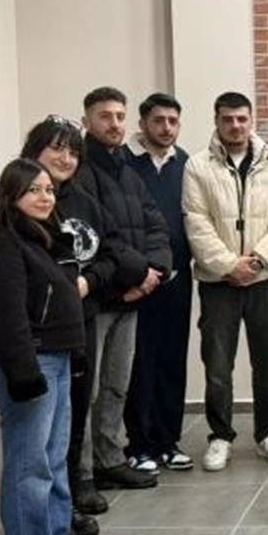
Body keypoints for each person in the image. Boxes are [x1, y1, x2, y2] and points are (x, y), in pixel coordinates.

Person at [0, 116, 146, 535]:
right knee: (33, 449)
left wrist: (88, 283)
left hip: (74, 332)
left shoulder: (79, 201)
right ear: (34, 151)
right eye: (57, 150)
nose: (66, 159)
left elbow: (111, 252)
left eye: (73, 152)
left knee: (67, 424)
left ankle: (59, 514)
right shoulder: (1, 216)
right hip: (33, 343)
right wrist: (19, 343)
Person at [0, 159, 89, 535]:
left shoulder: (42, 238)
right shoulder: (0, 243)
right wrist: (23, 373)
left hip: (56, 359)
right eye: (34, 190)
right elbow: (6, 318)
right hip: (29, 364)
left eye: (49, 190)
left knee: (53, 458)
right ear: (11, 195)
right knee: (29, 464)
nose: (45, 197)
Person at [184, 91, 268, 470]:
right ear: (217, 121)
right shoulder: (197, 166)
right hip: (219, 283)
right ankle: (220, 436)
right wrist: (228, 265)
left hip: (265, 280)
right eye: (227, 119)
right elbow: (196, 223)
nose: (235, 125)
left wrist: (258, 260)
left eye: (241, 119)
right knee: (218, 366)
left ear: (252, 121)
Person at [75, 87, 172, 505]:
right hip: (98, 299)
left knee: (116, 386)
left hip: (132, 299)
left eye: (119, 116)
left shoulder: (129, 174)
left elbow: (157, 227)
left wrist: (156, 272)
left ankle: (110, 459)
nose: (114, 124)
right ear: (86, 121)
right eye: (104, 116)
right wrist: (139, 274)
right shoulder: (79, 173)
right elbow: (102, 237)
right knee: (88, 391)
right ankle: (81, 473)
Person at [123, 93, 195, 473]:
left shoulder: (186, 163)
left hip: (178, 279)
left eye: (173, 121)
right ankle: (140, 444)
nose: (166, 128)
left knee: (172, 360)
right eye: (158, 121)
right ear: (143, 124)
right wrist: (141, 271)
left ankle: (168, 441)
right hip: (139, 281)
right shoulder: (124, 162)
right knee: (140, 363)